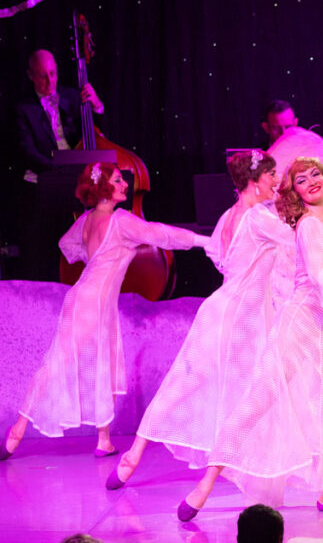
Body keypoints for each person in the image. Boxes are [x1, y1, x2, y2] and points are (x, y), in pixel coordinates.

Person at [177, 157, 323, 521]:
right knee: (260, 400)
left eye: (314, 175)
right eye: (300, 180)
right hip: (304, 321)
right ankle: (204, 485)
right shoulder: (308, 226)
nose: (310, 181)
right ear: (293, 193)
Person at [105, 150, 294, 490]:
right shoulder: (258, 218)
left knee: (185, 384)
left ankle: (132, 457)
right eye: (270, 175)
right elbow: (299, 242)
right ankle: (236, 469)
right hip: (242, 317)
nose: (275, 181)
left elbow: (221, 258)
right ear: (254, 181)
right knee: (253, 387)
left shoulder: (229, 216)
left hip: (220, 309)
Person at [0, 163, 210, 460]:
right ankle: (17, 432)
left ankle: (103, 440)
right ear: (103, 189)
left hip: (86, 297)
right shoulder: (120, 221)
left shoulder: (87, 220)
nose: (125, 183)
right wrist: (204, 241)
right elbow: (160, 235)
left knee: (100, 364)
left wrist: (94, 258)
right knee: (63, 362)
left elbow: (67, 245)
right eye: (117, 179)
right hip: (94, 302)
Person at [14, 49, 105, 176]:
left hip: (78, 171)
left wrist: (97, 105)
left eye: (52, 73)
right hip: (45, 173)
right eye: (42, 75)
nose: (50, 81)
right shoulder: (23, 109)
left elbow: (99, 132)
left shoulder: (74, 97)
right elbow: (28, 152)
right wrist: (56, 169)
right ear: (30, 75)